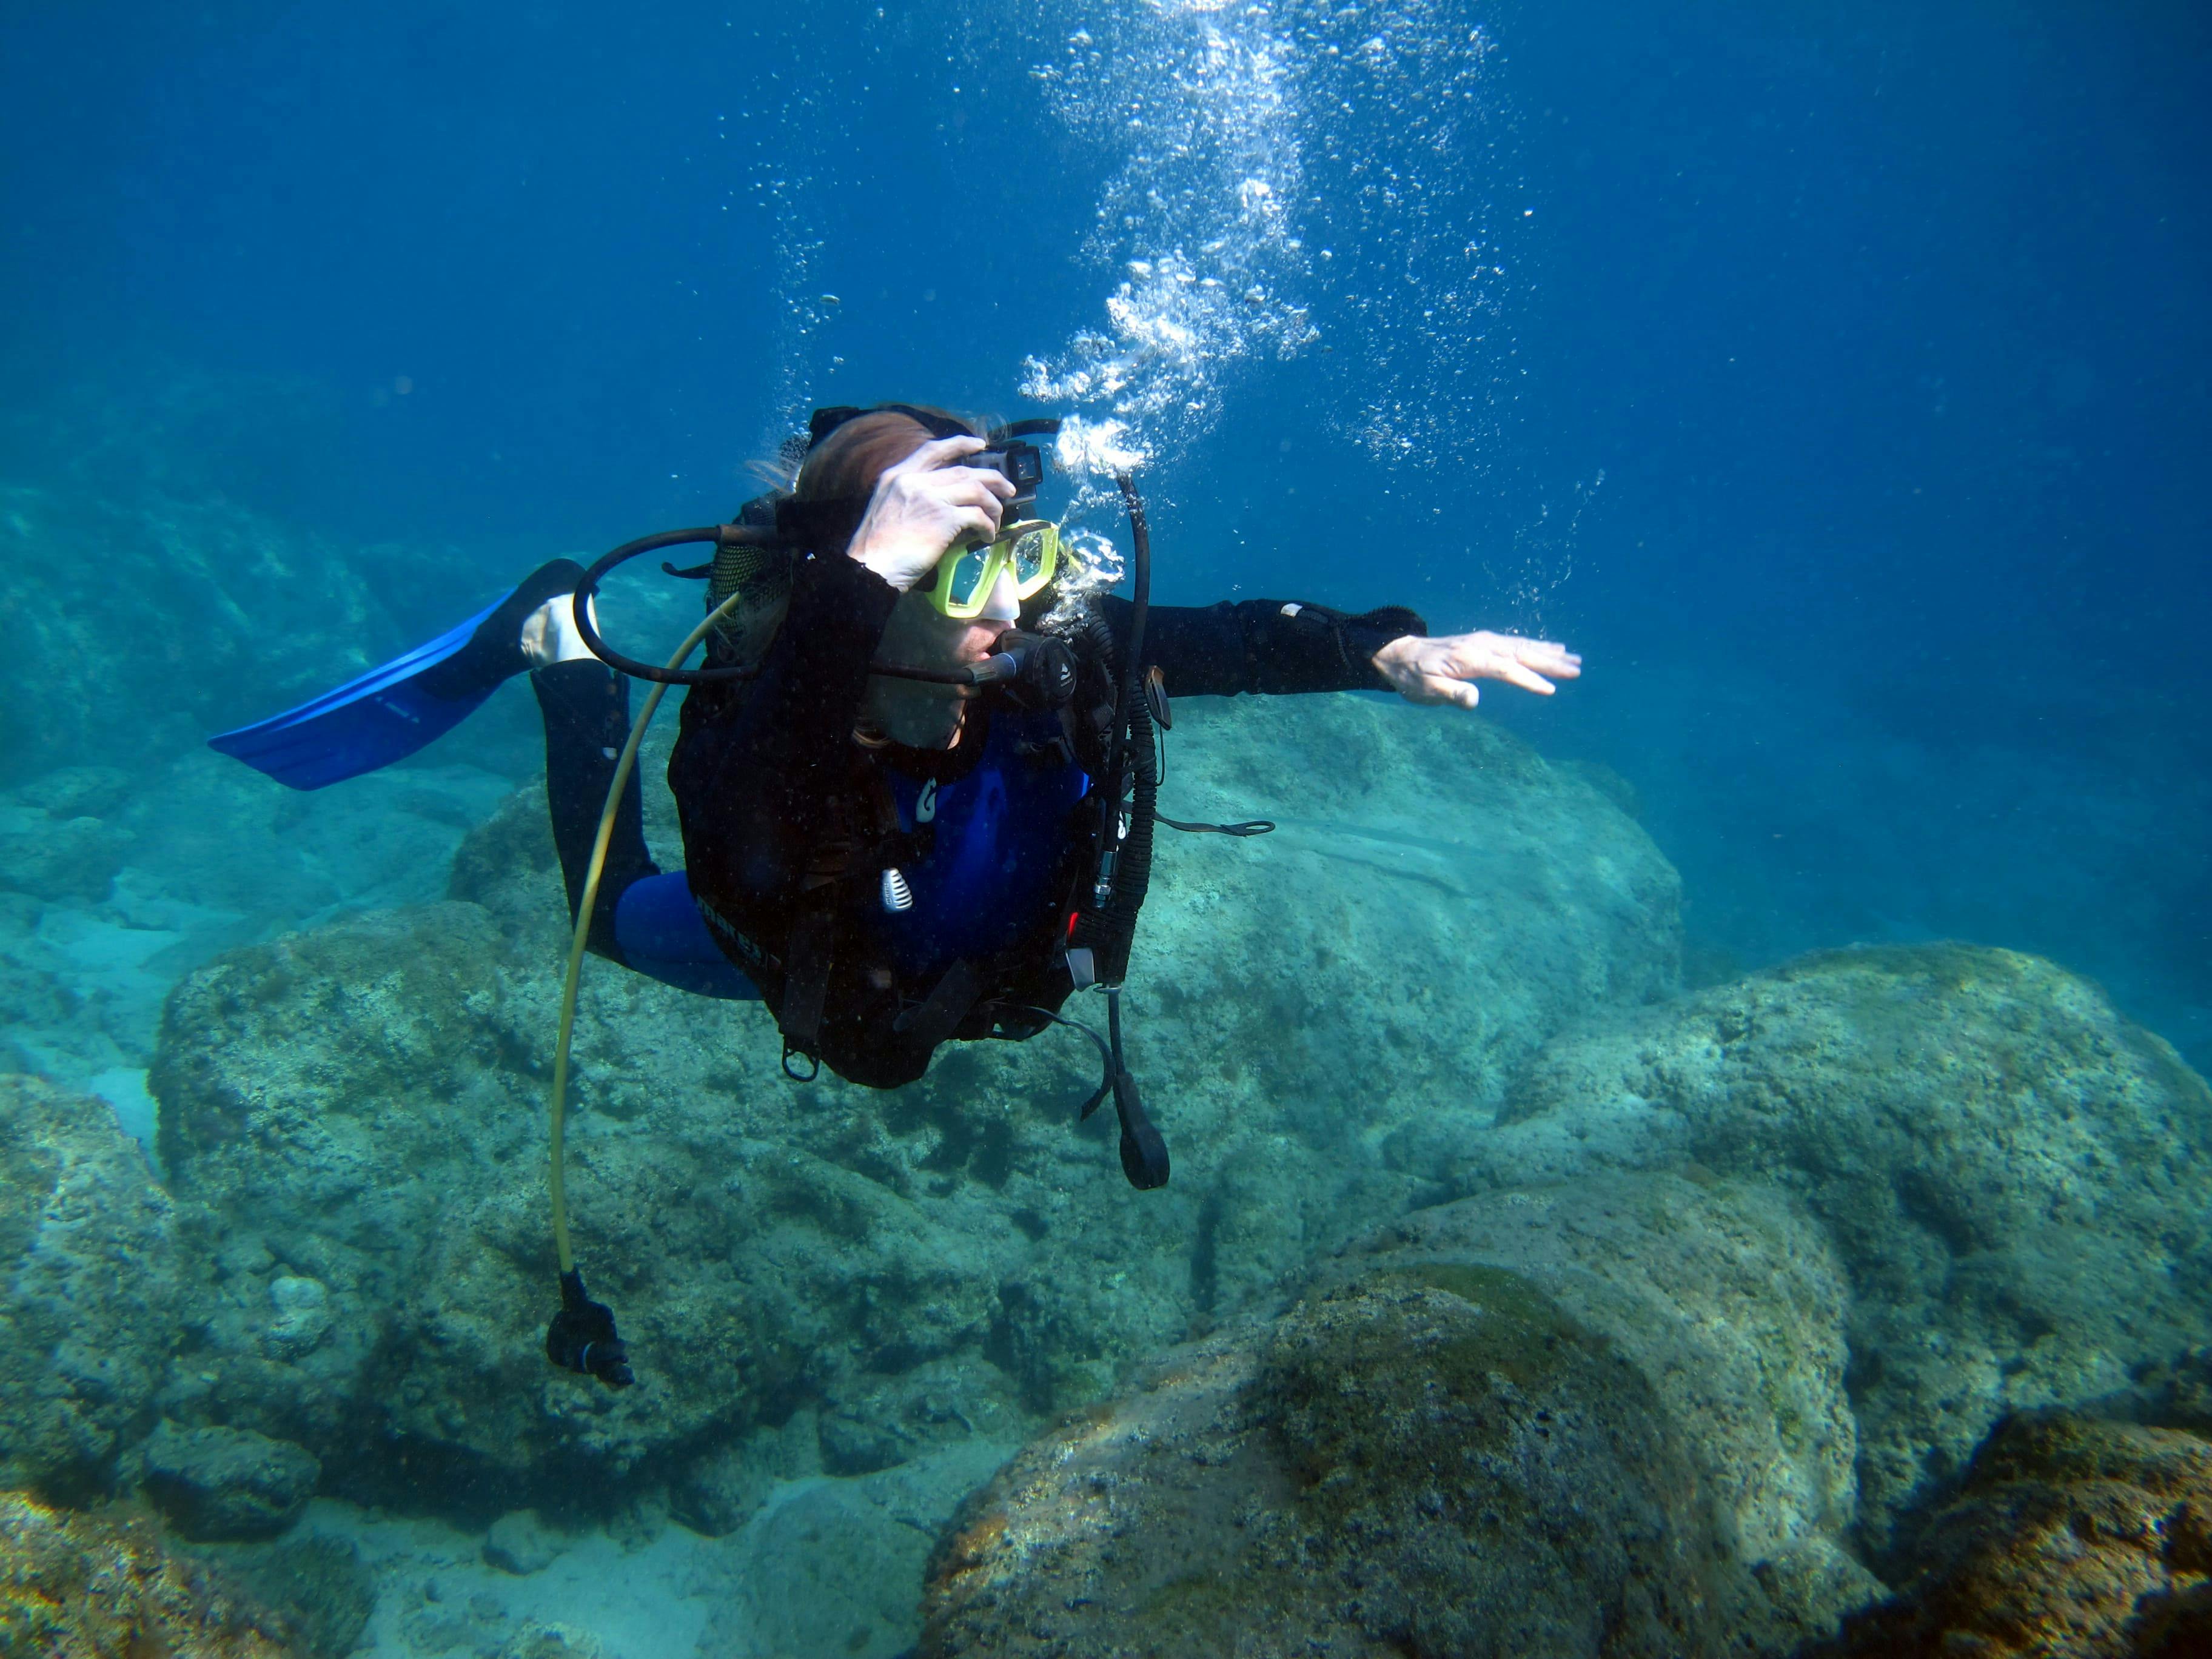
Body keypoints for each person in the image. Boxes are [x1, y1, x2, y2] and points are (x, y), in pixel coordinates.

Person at [213, 400, 1580, 1145]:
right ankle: (560, 644)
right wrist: (865, 575)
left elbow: (1216, 639)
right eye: (957, 570)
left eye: (1018, 557)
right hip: (782, 942)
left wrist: (1383, 650)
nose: (1014, 610)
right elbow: (755, 834)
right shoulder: (785, 697)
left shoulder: (1024, 644)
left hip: (947, 973)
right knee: (610, 904)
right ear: (867, 584)